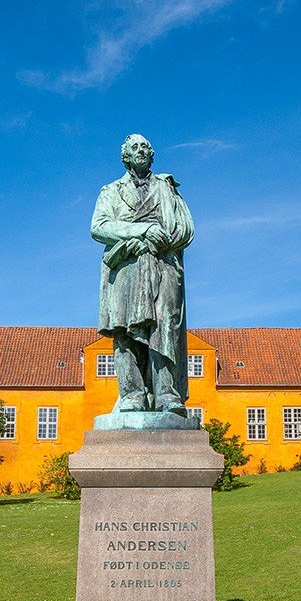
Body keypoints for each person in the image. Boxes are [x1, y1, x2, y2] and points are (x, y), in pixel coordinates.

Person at [91, 134, 195, 416]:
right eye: (134, 147)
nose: (141, 151)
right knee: (124, 330)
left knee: (165, 325)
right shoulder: (111, 191)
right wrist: (141, 231)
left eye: (145, 147)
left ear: (152, 155)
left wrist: (158, 240)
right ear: (125, 156)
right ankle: (131, 394)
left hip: (163, 264)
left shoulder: (167, 188)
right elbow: (99, 226)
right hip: (126, 266)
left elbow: (186, 228)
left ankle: (166, 393)